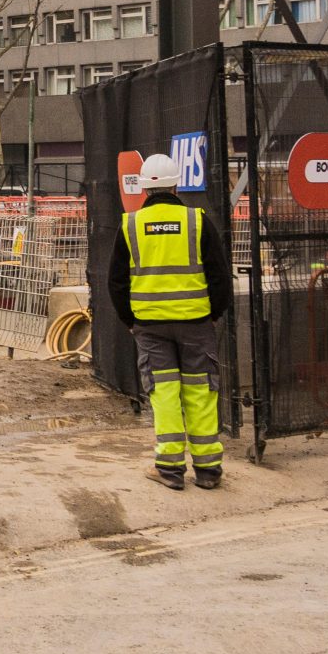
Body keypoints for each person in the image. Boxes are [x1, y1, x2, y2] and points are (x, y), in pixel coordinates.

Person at [104, 151, 232, 491]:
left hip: (150, 328)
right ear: (177, 185)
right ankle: (208, 471)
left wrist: (130, 320)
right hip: (196, 323)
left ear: (144, 189)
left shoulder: (130, 224)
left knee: (164, 395)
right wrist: (213, 314)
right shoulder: (197, 221)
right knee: (201, 394)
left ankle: (170, 469)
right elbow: (219, 276)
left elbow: (116, 281)